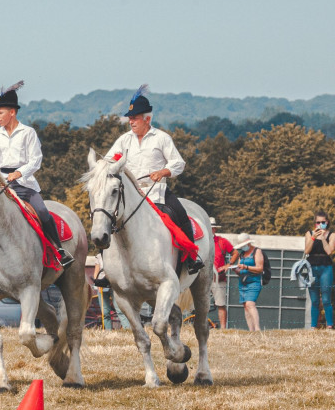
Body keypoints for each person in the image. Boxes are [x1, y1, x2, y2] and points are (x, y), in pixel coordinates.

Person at [106, 85, 204, 274]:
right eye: (130, 118)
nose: (131, 122)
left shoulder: (162, 138)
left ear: (147, 119)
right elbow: (110, 160)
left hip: (156, 192)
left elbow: (178, 163)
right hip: (130, 195)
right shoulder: (123, 140)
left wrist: (163, 172)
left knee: (181, 215)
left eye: (135, 118)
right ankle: (106, 267)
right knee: (107, 219)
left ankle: (192, 257)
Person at [0, 81, 73, 268]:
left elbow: (36, 160)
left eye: (0, 112)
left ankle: (59, 250)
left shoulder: (28, 133)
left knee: (42, 211)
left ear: (12, 112)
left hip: (24, 184)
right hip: (1, 184)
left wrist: (18, 173)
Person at [223, 233, 263, 332]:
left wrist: (246, 267)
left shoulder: (257, 251)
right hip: (243, 282)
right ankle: (251, 330)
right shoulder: (241, 254)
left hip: (254, 281)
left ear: (248, 244)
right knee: (245, 306)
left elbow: (260, 268)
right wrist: (235, 270)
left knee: (250, 304)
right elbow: (240, 269)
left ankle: (257, 328)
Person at [304, 210, 334, 329]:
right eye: (318, 222)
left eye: (323, 222)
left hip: (325, 267)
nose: (320, 224)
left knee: (326, 299)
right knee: (314, 300)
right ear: (314, 223)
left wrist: (322, 238)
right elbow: (306, 251)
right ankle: (313, 326)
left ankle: (330, 326)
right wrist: (313, 238)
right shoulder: (309, 233)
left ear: (327, 222)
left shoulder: (332, 235)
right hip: (312, 268)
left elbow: (329, 251)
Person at [210, 218, 233, 329]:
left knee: (220, 303)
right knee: (199, 304)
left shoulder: (221, 241)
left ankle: (223, 329)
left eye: (211, 228)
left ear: (214, 229)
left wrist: (229, 264)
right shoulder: (200, 241)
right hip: (203, 278)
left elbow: (235, 252)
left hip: (218, 278)